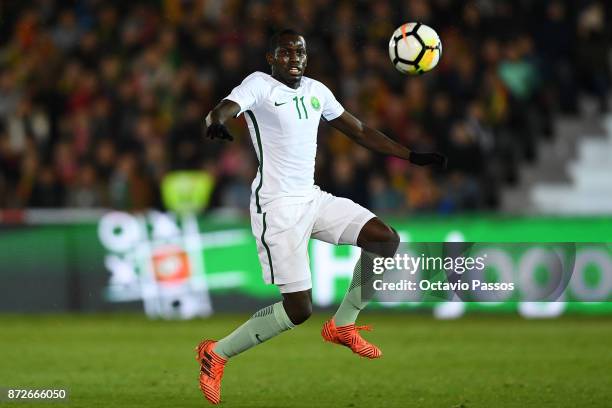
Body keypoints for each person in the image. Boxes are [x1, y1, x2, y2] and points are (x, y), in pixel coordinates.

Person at [197, 29, 446, 405]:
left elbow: (360, 131)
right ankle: (216, 353)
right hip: (276, 207)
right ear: (271, 58)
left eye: (300, 51)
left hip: (313, 199)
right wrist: (215, 120)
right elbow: (225, 107)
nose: (294, 57)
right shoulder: (260, 85)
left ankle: (343, 325)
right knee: (299, 310)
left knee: (384, 239)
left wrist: (411, 156)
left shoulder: (317, 91)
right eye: (285, 52)